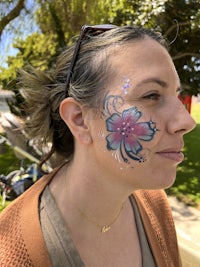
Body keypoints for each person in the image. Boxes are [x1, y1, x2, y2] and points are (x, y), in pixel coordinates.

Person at [0, 24, 196, 267]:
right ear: (79, 120)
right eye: (151, 95)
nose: (186, 121)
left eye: (176, 95)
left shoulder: (155, 204)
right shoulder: (10, 255)